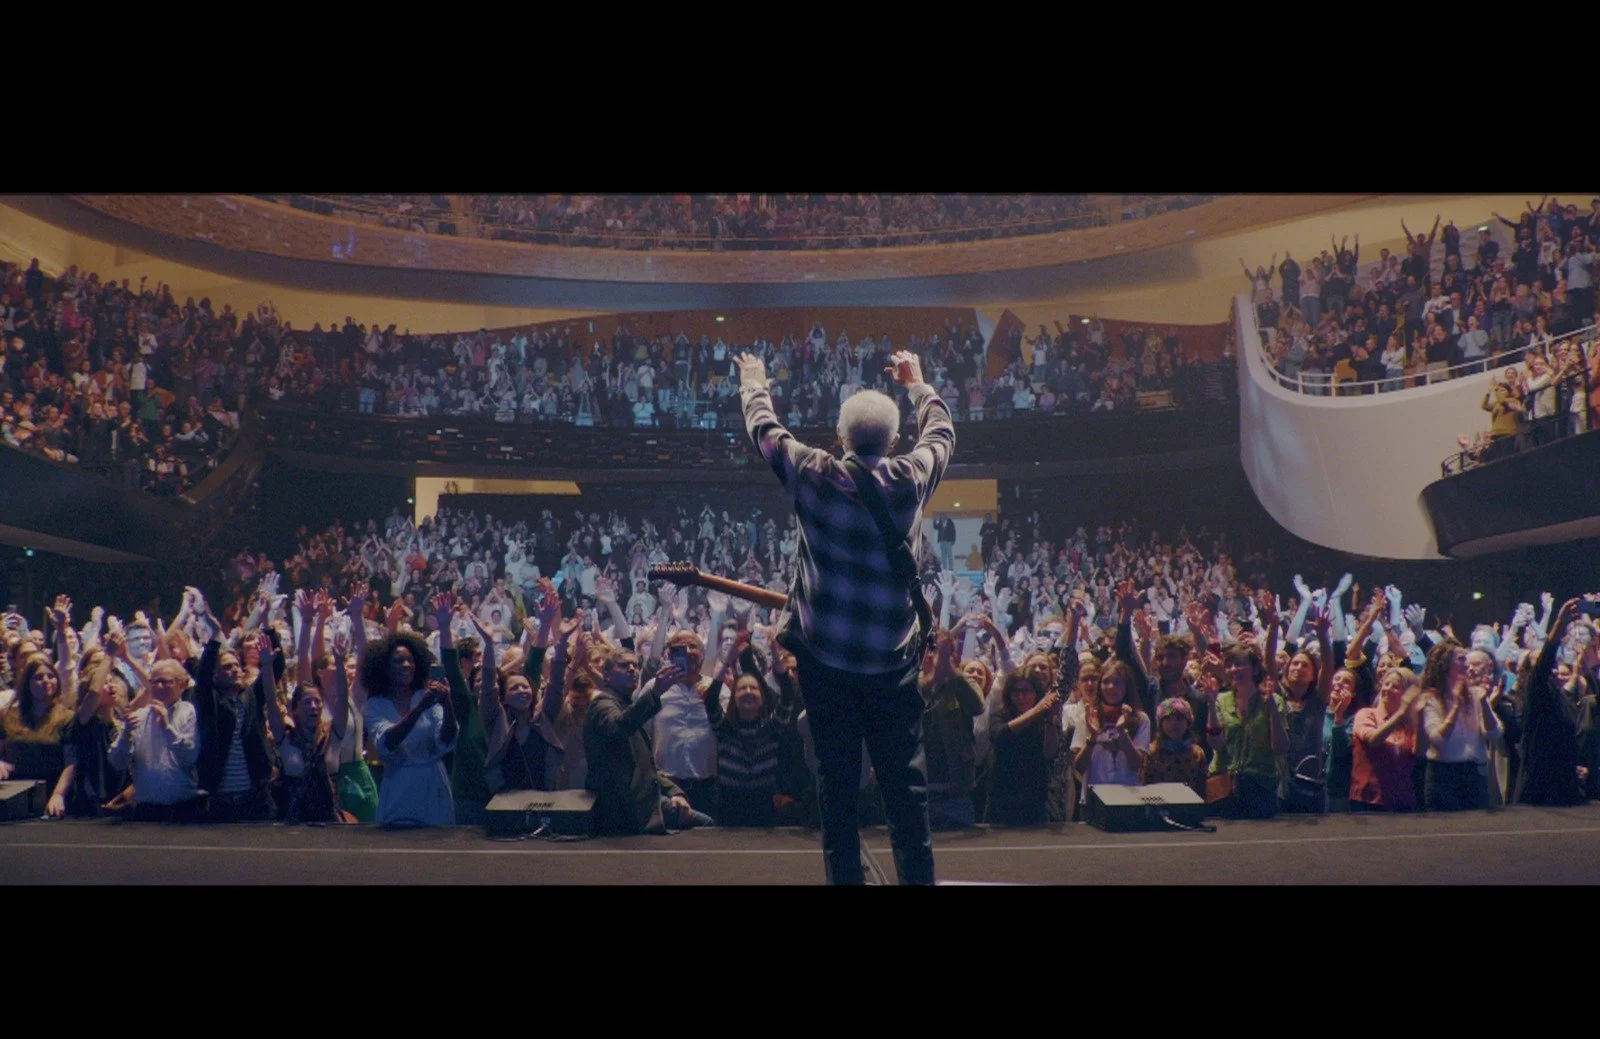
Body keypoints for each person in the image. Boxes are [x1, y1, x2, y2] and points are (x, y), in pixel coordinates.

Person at [736, 346, 954, 885]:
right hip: (891, 667)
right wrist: (918, 384)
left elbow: (764, 429)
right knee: (906, 794)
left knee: (837, 793)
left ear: (840, 437)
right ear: (894, 441)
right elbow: (942, 432)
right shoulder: (911, 477)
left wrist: (755, 381)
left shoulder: (814, 473)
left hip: (828, 666)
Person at [584, 651, 708, 835]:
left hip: (639, 803)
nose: (632, 669)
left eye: (635, 665)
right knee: (707, 826)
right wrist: (655, 692)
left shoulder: (624, 704)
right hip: (623, 809)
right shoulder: (602, 704)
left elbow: (646, 768)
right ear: (607, 676)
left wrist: (674, 792)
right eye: (623, 665)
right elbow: (618, 726)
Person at [361, 628, 457, 827]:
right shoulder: (375, 705)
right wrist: (420, 708)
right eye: (398, 661)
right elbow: (387, 742)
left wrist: (447, 703)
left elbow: (446, 740)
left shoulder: (426, 695)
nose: (406, 665)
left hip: (433, 785)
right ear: (385, 668)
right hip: (399, 787)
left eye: (410, 660)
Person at [106, 660, 204, 821]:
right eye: (154, 682)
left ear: (182, 685)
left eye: (166, 682)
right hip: (146, 811)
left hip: (183, 810)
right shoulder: (138, 717)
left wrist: (167, 727)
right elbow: (117, 762)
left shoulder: (188, 712)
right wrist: (126, 735)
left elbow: (189, 756)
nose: (159, 686)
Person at [1418, 639, 1501, 811]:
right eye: (1461, 659)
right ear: (1445, 665)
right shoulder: (1431, 698)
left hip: (1474, 774)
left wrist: (1484, 703)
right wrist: (1456, 706)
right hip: (1444, 776)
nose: (1467, 665)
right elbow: (1438, 740)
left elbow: (1494, 734)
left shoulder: (1475, 694)